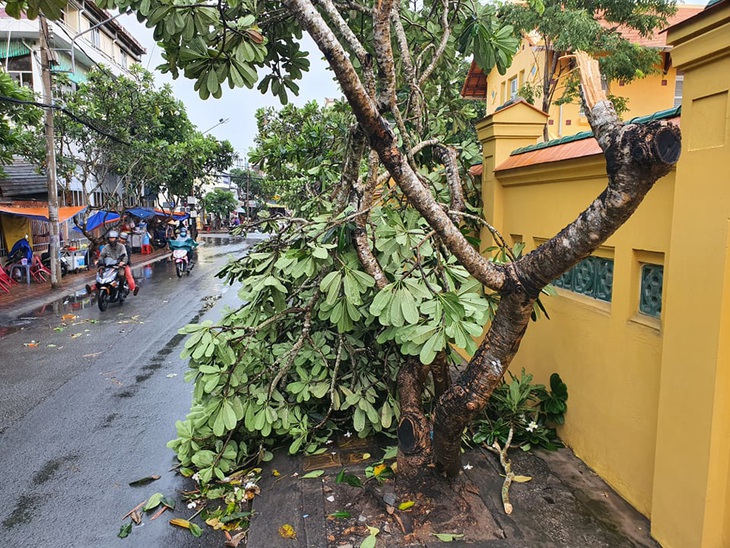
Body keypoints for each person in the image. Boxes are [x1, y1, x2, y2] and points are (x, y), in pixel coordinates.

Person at [86, 230, 138, 296]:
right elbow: (102, 255)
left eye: (113, 238)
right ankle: (93, 287)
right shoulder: (106, 247)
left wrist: (123, 262)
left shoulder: (122, 247)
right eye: (110, 238)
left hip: (119, 266)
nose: (111, 240)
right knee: (100, 274)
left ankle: (122, 289)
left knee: (121, 274)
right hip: (108, 265)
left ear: (116, 238)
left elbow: (125, 256)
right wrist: (98, 261)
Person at [118, 232, 139, 296]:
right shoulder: (114, 246)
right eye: (121, 238)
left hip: (124, 265)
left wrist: (123, 262)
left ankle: (133, 288)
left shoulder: (127, 248)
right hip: (113, 264)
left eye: (123, 239)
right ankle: (93, 288)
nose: (121, 240)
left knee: (128, 275)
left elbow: (127, 257)